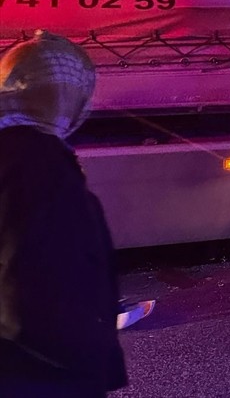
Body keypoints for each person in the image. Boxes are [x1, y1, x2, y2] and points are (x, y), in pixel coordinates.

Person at [0, 31, 128, 396]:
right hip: (37, 376)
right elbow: (37, 289)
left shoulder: (14, 149)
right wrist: (81, 375)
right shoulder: (36, 160)